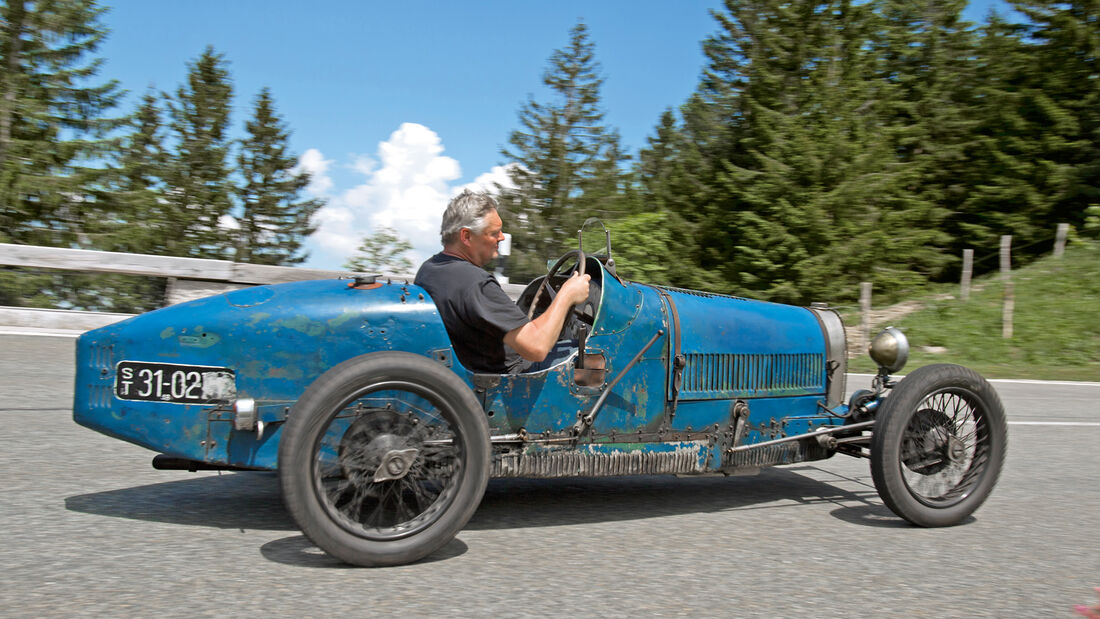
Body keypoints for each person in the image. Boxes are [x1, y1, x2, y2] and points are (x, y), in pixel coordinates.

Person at [415, 190, 590, 374]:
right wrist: (567, 295)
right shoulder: (475, 283)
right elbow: (537, 348)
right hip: (507, 378)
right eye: (494, 233)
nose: (502, 237)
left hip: (469, 369)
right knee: (596, 356)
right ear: (466, 236)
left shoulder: (429, 269)